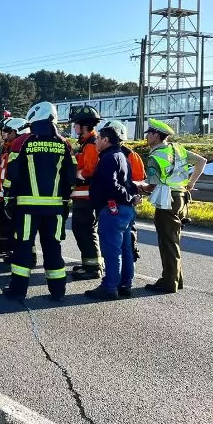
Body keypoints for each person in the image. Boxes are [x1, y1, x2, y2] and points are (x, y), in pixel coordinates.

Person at [3, 101, 77, 302]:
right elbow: (72, 177)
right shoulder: (64, 144)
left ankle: (18, 291)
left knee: (23, 248)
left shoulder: (22, 143)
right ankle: (58, 291)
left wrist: (8, 197)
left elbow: (12, 174)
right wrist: (65, 199)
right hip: (55, 209)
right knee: (53, 247)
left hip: (27, 208)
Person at [138, 119, 207, 293]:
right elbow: (201, 161)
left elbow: (151, 186)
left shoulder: (155, 156)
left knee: (167, 242)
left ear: (155, 135)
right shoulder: (178, 149)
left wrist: (139, 187)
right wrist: (190, 183)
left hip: (166, 201)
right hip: (182, 198)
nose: (147, 137)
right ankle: (176, 278)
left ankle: (169, 283)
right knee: (173, 241)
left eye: (149, 134)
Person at [84, 122, 138, 300]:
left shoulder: (108, 158)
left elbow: (112, 185)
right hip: (125, 210)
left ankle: (110, 286)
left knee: (111, 250)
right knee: (125, 248)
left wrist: (125, 198)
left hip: (112, 208)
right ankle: (125, 284)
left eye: (98, 138)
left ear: (106, 140)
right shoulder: (121, 155)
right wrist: (129, 198)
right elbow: (128, 184)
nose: (96, 141)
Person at [97, 120, 146, 261]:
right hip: (116, 201)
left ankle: (128, 259)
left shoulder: (129, 155)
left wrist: (131, 195)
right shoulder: (117, 154)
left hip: (122, 201)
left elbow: (138, 181)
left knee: (126, 235)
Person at [69, 105, 102, 280]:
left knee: (85, 230)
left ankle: (93, 268)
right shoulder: (86, 144)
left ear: (84, 126)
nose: (74, 128)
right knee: (82, 230)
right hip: (83, 197)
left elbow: (89, 171)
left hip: (86, 197)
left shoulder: (90, 145)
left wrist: (72, 175)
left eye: (76, 125)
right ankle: (89, 263)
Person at [0, 117, 29, 260]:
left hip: (14, 193)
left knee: (14, 224)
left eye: (7, 131)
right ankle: (5, 245)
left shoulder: (19, 147)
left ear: (17, 131)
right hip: (3, 191)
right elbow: (0, 167)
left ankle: (15, 251)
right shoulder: (6, 146)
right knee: (4, 221)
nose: (4, 133)